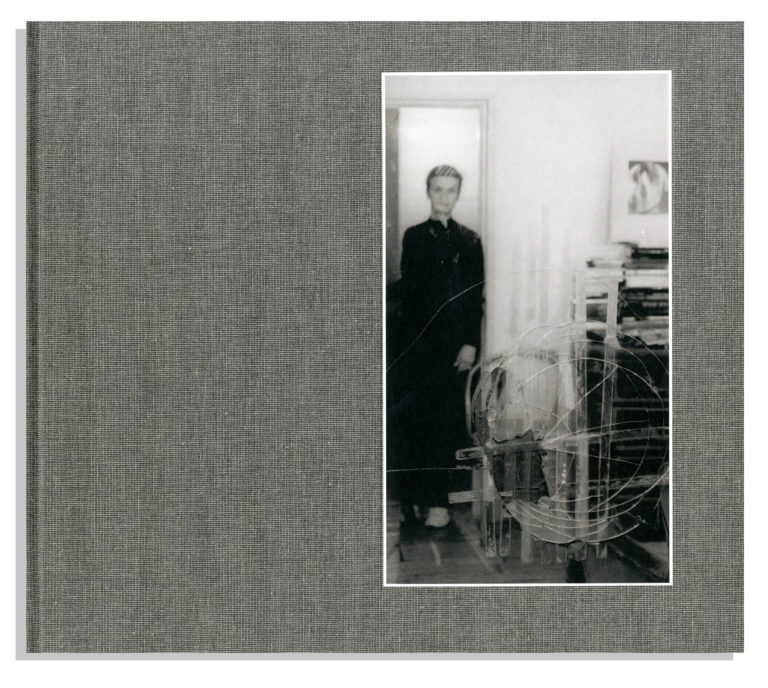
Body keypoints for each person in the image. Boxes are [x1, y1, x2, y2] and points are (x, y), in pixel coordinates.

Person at [388, 165, 484, 529]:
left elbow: (475, 297)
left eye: (451, 190)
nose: (444, 197)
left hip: (454, 348)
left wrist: (470, 343)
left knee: (445, 424)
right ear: (428, 192)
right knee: (415, 422)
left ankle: (440, 505)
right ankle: (413, 501)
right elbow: (414, 290)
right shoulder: (414, 236)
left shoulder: (470, 240)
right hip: (417, 346)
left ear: (458, 194)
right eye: (438, 189)